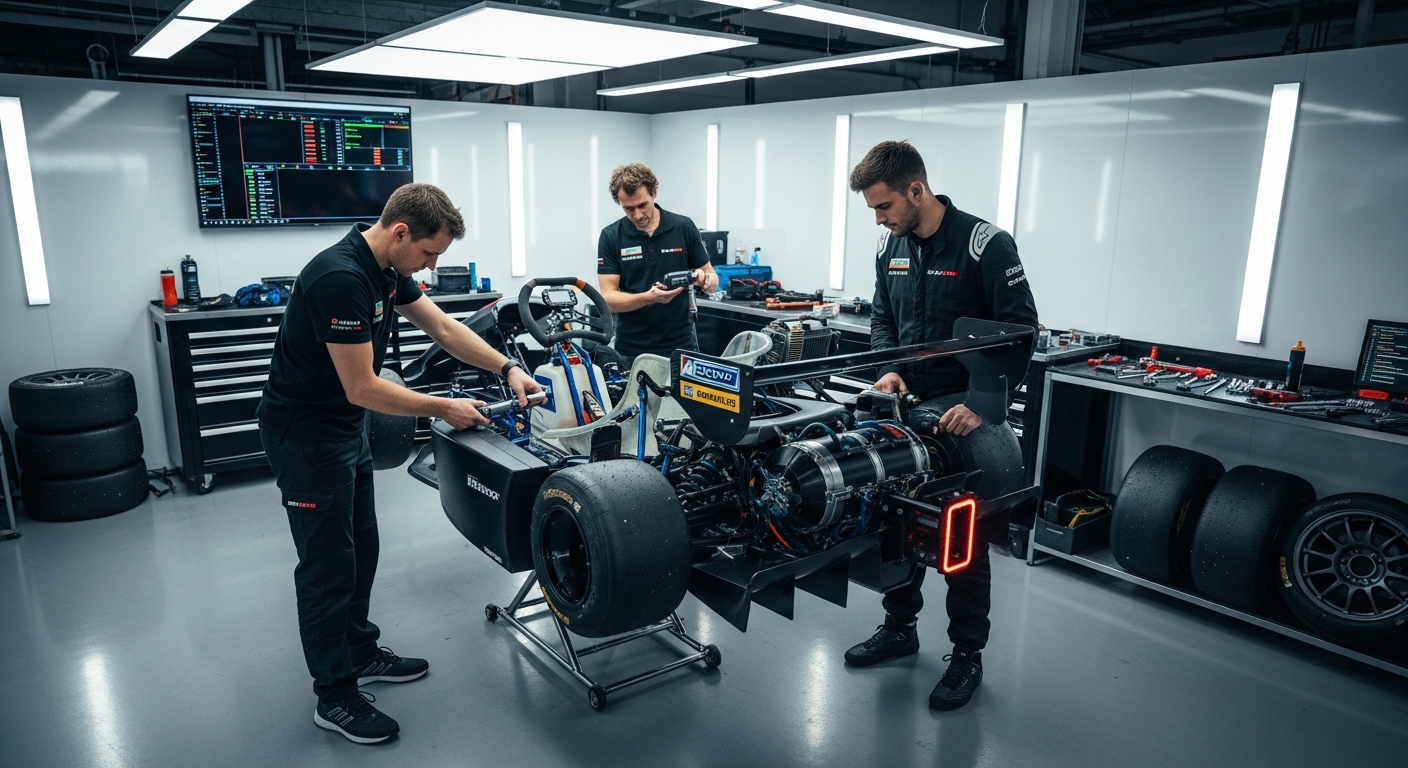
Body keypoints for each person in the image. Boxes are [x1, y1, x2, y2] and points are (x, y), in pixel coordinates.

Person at [257, 184, 542, 744]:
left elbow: (444, 329)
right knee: (327, 568)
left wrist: (508, 367)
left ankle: (359, 653)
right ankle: (334, 697)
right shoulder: (340, 277)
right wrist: (444, 407)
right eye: (430, 253)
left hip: (344, 429)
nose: (432, 267)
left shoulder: (386, 268)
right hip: (306, 437)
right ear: (401, 232)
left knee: (361, 549)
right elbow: (362, 387)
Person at [843, 141, 1038, 711]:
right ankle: (899, 627)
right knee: (895, 518)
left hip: (962, 409)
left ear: (916, 190)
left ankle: (967, 655)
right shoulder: (891, 246)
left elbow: (1021, 331)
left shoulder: (985, 245)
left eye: (883, 207)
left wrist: (982, 403)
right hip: (907, 404)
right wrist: (888, 368)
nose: (878, 220)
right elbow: (883, 318)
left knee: (960, 537)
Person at [596, 163, 718, 363]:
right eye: (628, 208)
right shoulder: (611, 236)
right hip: (632, 348)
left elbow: (712, 280)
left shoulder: (683, 227)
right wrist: (648, 298)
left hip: (681, 344)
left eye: (642, 205)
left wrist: (706, 281)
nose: (637, 215)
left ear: (655, 192)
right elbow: (608, 299)